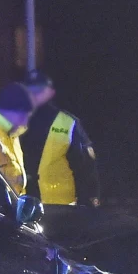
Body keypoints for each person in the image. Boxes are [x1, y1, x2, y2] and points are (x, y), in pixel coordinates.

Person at [21, 71, 101, 207]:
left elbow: (86, 167)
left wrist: (89, 199)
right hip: (22, 205)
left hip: (58, 207)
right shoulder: (12, 120)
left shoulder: (68, 123)